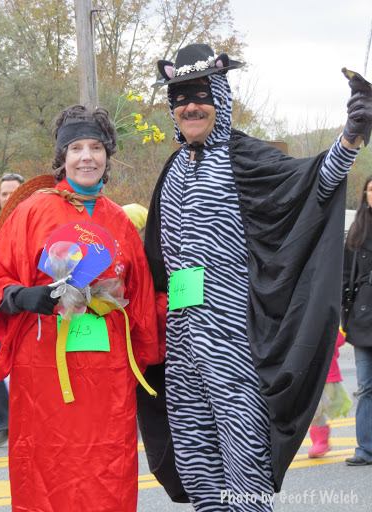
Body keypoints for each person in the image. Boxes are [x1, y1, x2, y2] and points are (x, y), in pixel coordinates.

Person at [137, 43, 372, 511]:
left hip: (234, 351)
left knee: (245, 477)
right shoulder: (174, 168)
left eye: (201, 93)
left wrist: (350, 137)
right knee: (198, 469)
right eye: (180, 97)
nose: (190, 105)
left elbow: (312, 186)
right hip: (182, 350)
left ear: (220, 97)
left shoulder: (244, 157)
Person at [0, 105, 163, 512]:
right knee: (47, 470)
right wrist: (19, 296)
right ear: (62, 157)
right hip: (45, 374)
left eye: (97, 147)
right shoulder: (31, 211)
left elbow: (140, 300)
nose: (87, 156)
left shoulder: (119, 220)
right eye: (77, 148)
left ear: (107, 156)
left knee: (107, 471)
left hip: (108, 378)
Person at [0, 173, 25, 453]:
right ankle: (5, 422)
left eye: (15, 192)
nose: (9, 198)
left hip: (31, 309)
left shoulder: (34, 224)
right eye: (4, 193)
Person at [342, 174, 372, 467]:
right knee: (365, 386)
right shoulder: (358, 229)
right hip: (363, 317)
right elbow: (343, 276)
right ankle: (365, 448)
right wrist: (344, 315)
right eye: (371, 190)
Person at [308, 329, 352, 458]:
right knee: (313, 412)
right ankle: (320, 442)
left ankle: (321, 442)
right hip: (309, 376)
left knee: (318, 410)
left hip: (327, 376)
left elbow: (339, 340)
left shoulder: (328, 323)